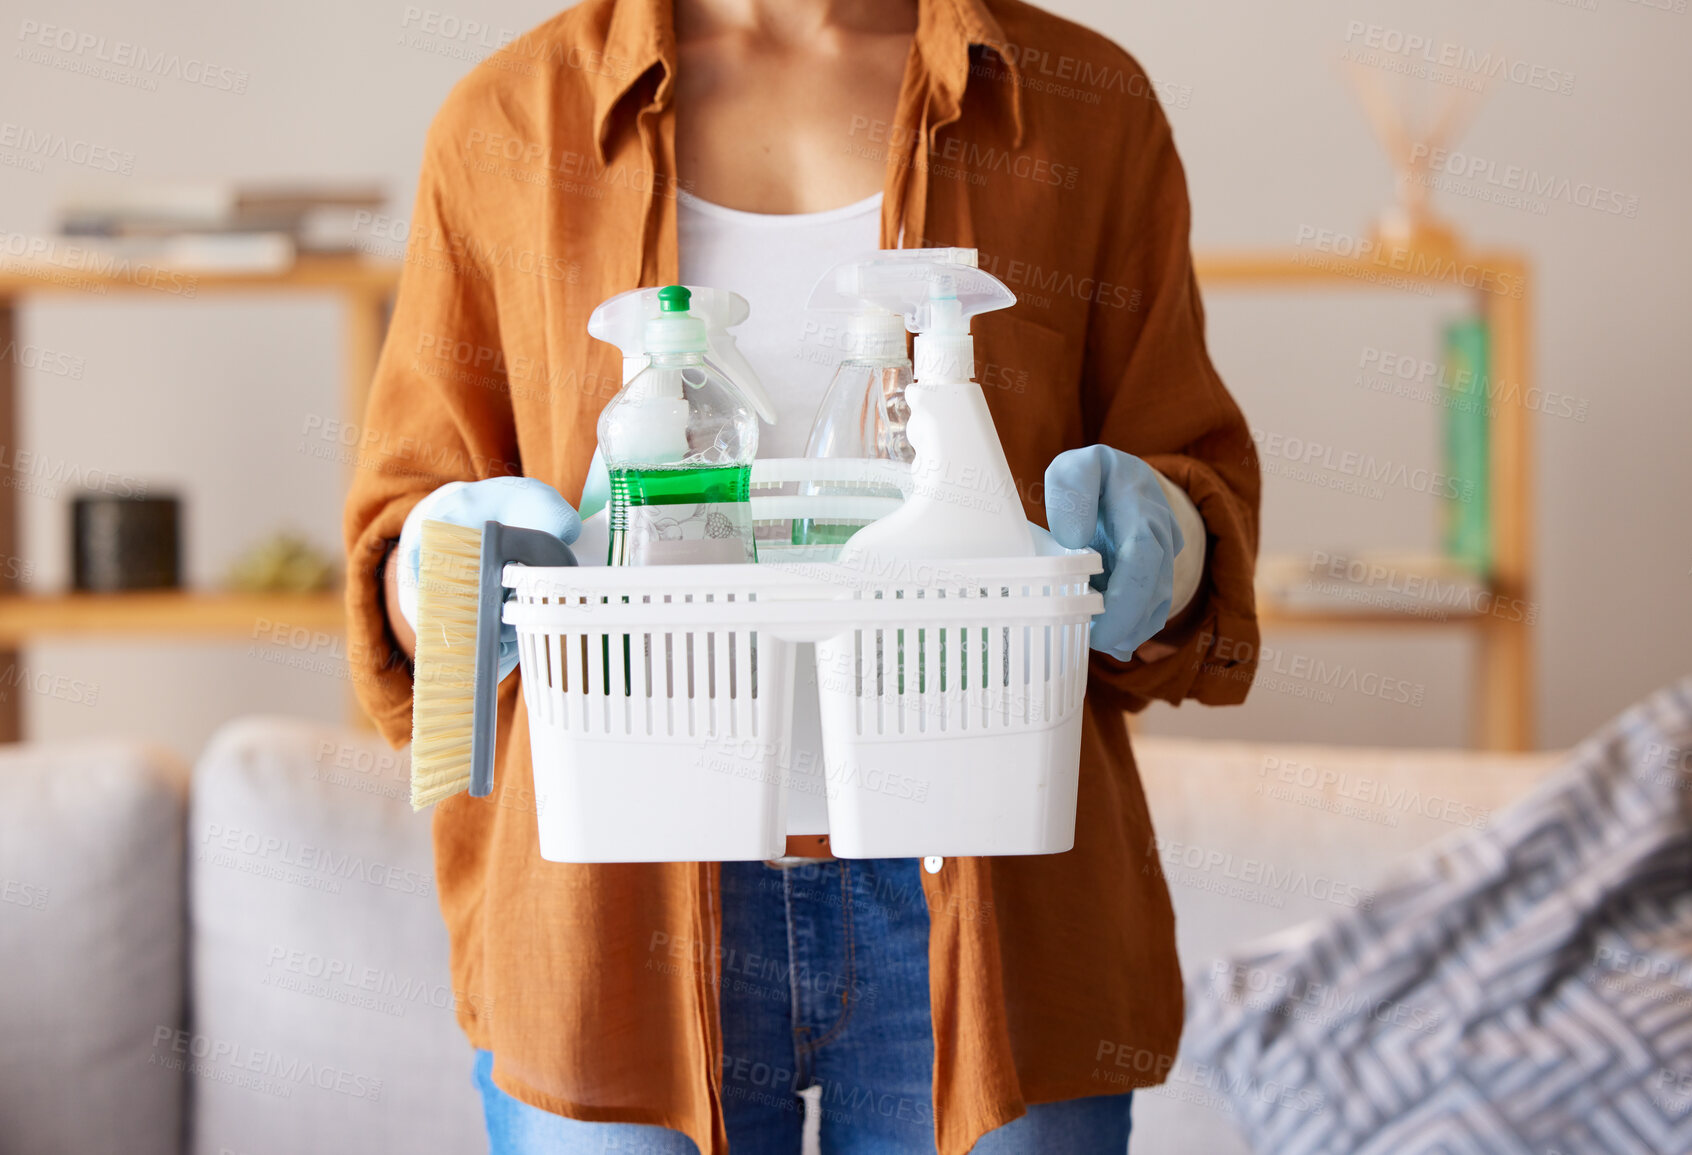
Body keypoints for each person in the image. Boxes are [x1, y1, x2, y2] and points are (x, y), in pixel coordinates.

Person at [344, 0, 1262, 1151]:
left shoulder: (1079, 105)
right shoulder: (511, 123)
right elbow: (401, 536)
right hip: (615, 904)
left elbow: (1188, 464)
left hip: (990, 895)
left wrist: (1160, 542)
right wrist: (444, 568)